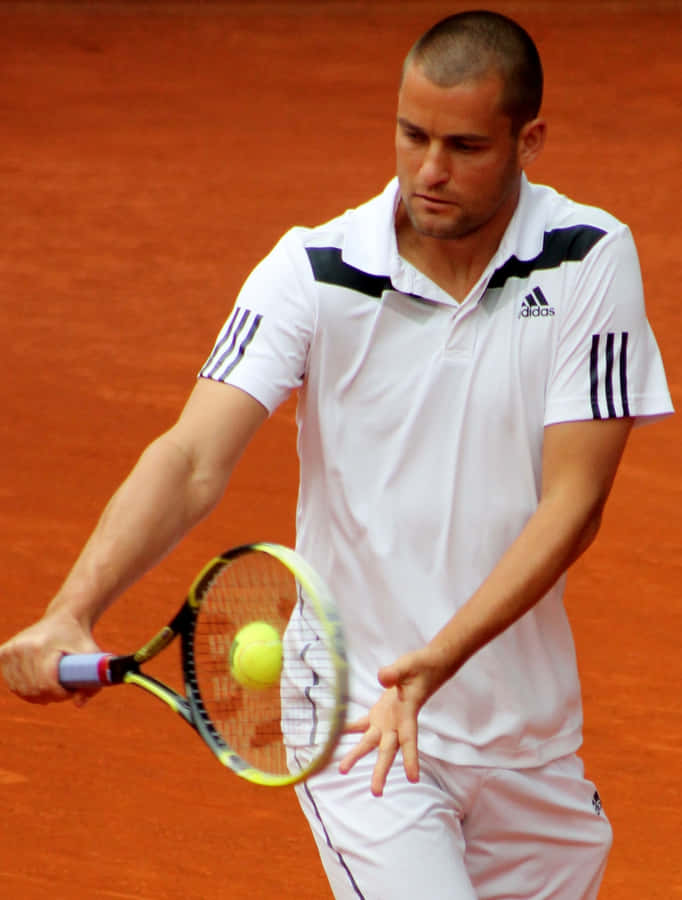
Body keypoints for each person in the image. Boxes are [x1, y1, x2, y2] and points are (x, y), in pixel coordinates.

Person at [0, 10, 673, 899]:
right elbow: (192, 456)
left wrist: (440, 658)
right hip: (361, 730)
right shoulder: (312, 272)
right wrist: (71, 607)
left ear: (529, 140)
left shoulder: (587, 258)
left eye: (465, 145)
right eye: (412, 134)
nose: (429, 170)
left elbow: (573, 506)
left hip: (527, 740)